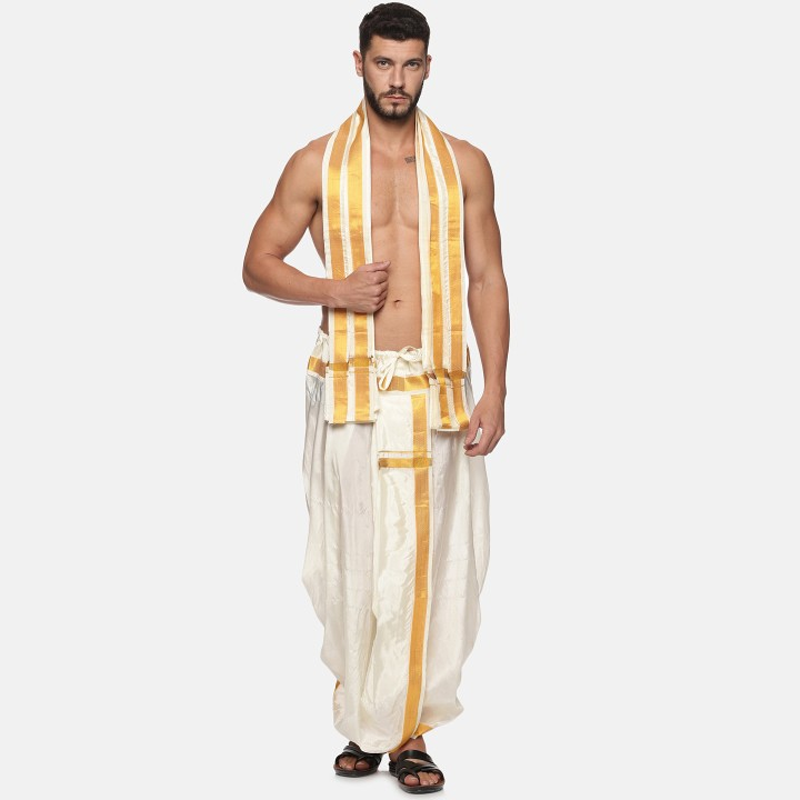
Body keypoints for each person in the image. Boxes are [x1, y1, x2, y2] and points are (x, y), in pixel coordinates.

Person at [242, 2, 509, 792]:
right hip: (351, 388)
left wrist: (498, 387)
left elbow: (487, 277)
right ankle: (366, 717)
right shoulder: (315, 163)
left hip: (438, 390)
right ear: (358, 63)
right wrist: (334, 290)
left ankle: (411, 733)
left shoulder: (465, 163)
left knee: (428, 563)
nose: (398, 79)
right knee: (351, 562)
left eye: (411, 64)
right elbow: (257, 263)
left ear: (428, 68)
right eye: (384, 63)